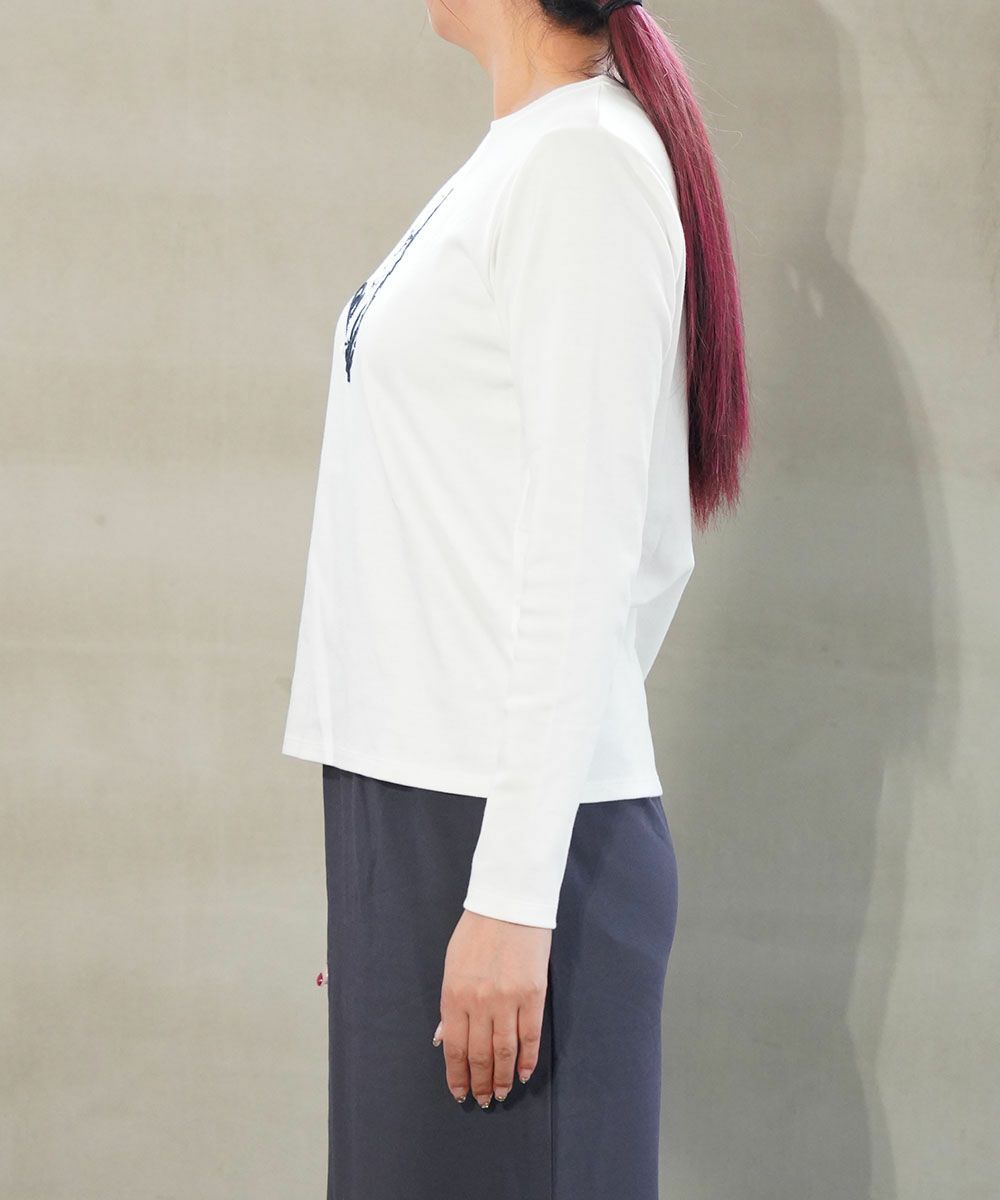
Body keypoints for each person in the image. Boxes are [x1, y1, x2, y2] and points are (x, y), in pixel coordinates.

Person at [282, 1, 750, 1196]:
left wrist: (507, 891)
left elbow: (597, 553)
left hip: (508, 847)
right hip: (427, 812)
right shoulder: (528, 158)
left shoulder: (583, 166)